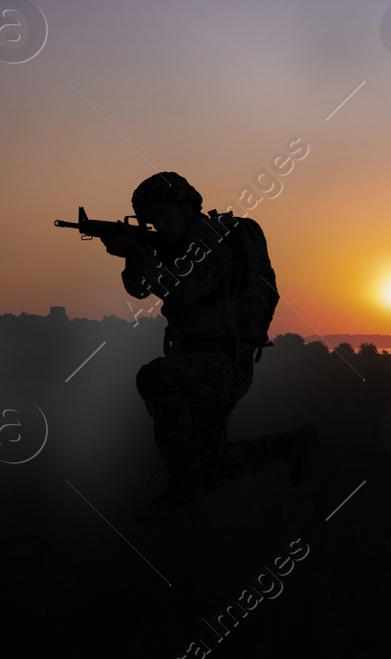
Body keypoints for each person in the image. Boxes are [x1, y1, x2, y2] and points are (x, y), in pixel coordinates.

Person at [104, 172, 316, 526]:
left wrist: (140, 252)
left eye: (165, 216)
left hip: (224, 362)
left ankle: (185, 498)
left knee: (156, 378)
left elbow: (180, 290)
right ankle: (290, 445)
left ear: (188, 208)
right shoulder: (181, 247)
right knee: (206, 468)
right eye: (151, 220)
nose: (159, 225)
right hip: (198, 361)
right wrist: (132, 254)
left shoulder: (210, 242)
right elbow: (140, 289)